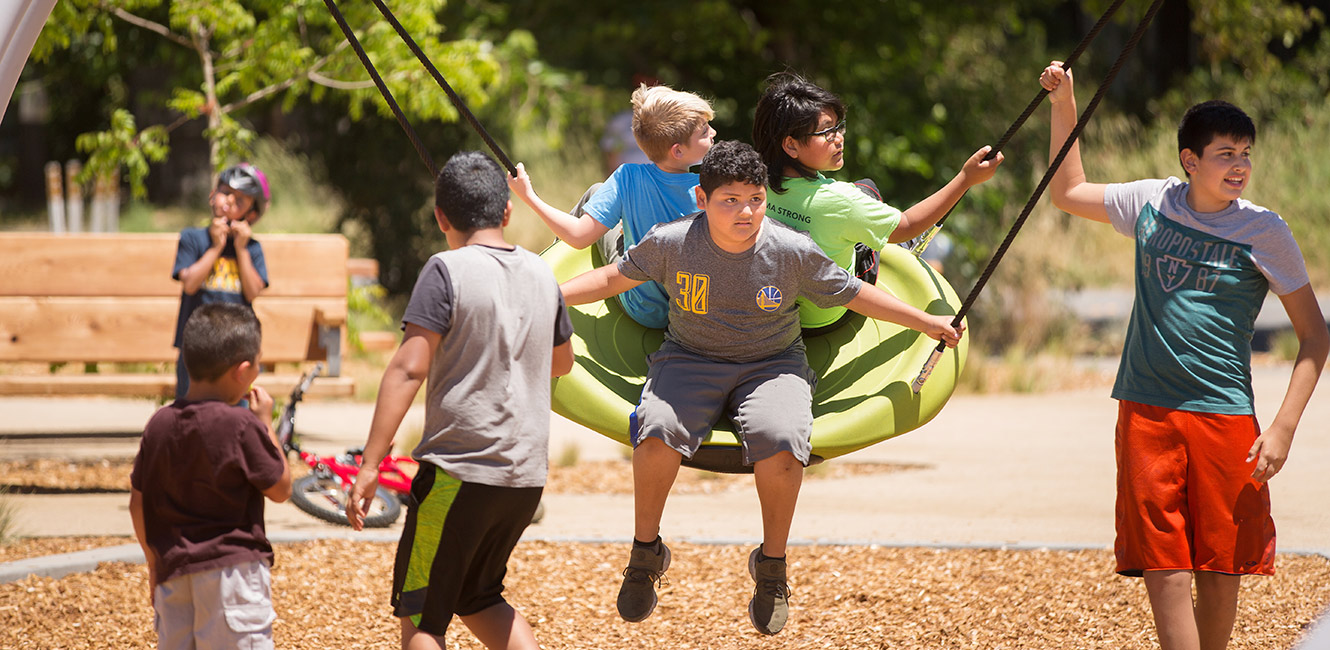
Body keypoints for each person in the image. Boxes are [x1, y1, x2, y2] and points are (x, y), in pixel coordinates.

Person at [560, 141, 964, 635]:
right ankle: (646, 552)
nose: (746, 211)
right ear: (701, 199)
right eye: (730, 200)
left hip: (771, 365)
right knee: (655, 432)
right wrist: (546, 293)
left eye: (755, 198)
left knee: (785, 445)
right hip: (691, 358)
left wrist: (927, 322)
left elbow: (856, 293)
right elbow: (608, 279)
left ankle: (771, 566)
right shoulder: (672, 242)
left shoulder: (789, 250)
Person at [1040, 62, 1327, 650]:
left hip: (1225, 416)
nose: (1240, 165)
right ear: (1189, 161)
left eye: (1246, 152)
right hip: (1145, 412)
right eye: (1225, 153)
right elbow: (1067, 192)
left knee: (1220, 566)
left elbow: (1316, 336)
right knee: (1163, 565)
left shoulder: (1266, 232)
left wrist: (1283, 429)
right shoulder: (1152, 202)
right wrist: (1063, 100)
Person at [347, 151, 575, 650]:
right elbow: (562, 363)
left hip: (457, 474)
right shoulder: (542, 275)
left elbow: (409, 367)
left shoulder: (444, 269)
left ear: (440, 217)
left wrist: (369, 465)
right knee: (479, 598)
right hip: (523, 479)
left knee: (423, 617)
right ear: (507, 212)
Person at [752, 72, 1003, 331]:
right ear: (791, 146)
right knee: (867, 189)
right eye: (827, 132)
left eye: (839, 126)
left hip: (778, 311)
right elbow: (907, 224)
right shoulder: (841, 201)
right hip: (826, 318)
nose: (839, 138)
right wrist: (965, 178)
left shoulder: (750, 185)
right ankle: (899, 243)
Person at [129, 302, 292, 650]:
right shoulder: (242, 425)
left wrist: (153, 559)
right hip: (232, 576)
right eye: (258, 365)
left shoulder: (159, 423)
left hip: (174, 572)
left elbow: (137, 503)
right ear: (243, 371)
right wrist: (265, 422)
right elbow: (280, 488)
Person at [508, 83, 716, 329]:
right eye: (704, 131)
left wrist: (528, 195)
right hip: (685, 310)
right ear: (678, 151)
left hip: (642, 307)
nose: (712, 132)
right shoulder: (709, 190)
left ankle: (544, 272)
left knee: (596, 191)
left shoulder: (627, 176)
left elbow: (579, 237)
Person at [172, 163, 272, 400]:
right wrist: (216, 247)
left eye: (240, 201)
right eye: (225, 193)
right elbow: (190, 284)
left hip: (236, 350)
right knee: (190, 409)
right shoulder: (192, 239)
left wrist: (241, 250)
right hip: (195, 348)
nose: (228, 202)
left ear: (251, 215)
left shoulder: (252, 249)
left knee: (235, 414)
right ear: (212, 195)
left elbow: (252, 292)